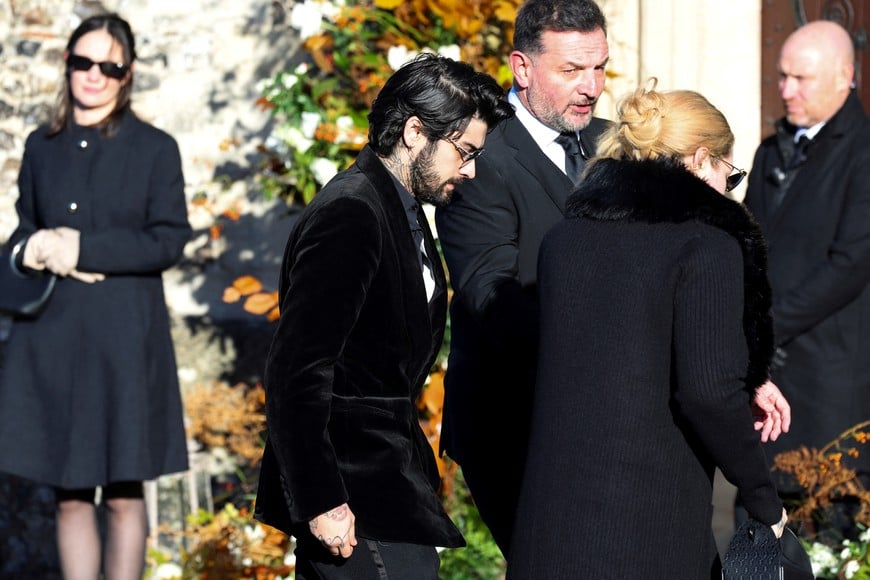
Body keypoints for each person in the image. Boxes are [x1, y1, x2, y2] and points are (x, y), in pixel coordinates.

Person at [507, 81, 790, 579]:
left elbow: (620, 347)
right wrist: (765, 501)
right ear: (702, 161)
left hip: (549, 523)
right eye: (731, 174)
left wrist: (745, 377)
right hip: (644, 527)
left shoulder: (563, 240)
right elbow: (707, 393)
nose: (730, 189)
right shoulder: (704, 247)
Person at [253, 53, 514, 579]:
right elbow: (296, 370)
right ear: (415, 132)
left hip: (385, 486)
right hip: (352, 494)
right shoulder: (353, 212)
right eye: (464, 151)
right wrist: (321, 498)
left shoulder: (400, 207)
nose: (470, 169)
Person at [0, 13, 191, 580]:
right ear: (67, 65)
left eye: (108, 66)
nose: (93, 75)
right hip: (53, 336)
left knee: (126, 493)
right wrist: (30, 248)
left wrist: (83, 247)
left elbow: (168, 240)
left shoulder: (156, 148)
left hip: (124, 339)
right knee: (70, 491)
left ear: (126, 75)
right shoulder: (41, 146)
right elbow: (23, 231)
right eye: (83, 62)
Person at [434, 0, 611, 554]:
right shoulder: (478, 154)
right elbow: (491, 295)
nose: (591, 87)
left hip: (605, 421)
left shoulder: (613, 143)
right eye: (572, 70)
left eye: (600, 67)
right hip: (516, 427)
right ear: (522, 68)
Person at [743, 20, 870, 540]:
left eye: (802, 78)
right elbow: (746, 246)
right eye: (781, 76)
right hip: (767, 390)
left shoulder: (863, 154)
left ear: (846, 76)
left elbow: (851, 264)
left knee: (829, 539)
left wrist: (765, 324)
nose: (786, 90)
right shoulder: (770, 152)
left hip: (828, 387)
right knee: (763, 542)